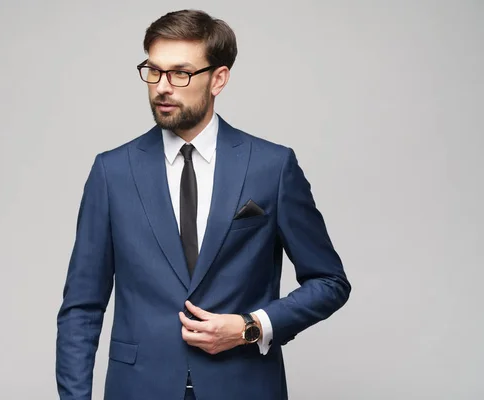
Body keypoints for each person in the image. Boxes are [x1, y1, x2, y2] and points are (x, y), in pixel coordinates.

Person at [56, 9, 351, 400]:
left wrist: (251, 326)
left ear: (219, 78)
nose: (163, 87)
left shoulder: (272, 167)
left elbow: (330, 282)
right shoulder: (112, 172)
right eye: (154, 71)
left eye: (181, 73)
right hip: (139, 387)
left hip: (245, 386)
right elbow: (82, 308)